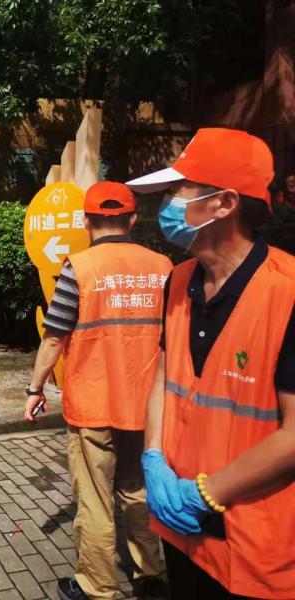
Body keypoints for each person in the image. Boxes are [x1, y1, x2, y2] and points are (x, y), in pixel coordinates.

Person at [127, 128, 295, 599]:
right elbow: (167, 370)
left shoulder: (287, 293)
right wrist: (153, 455)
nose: (164, 207)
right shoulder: (178, 280)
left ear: (224, 204)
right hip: (186, 535)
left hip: (255, 547)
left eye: (175, 193)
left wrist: (206, 492)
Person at [24, 181, 171, 600]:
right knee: (138, 488)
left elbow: (54, 337)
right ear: (133, 219)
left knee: (94, 498)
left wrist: (35, 388)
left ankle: (97, 584)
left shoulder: (79, 268)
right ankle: (151, 573)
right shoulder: (164, 267)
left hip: (93, 405)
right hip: (148, 406)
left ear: (86, 222)